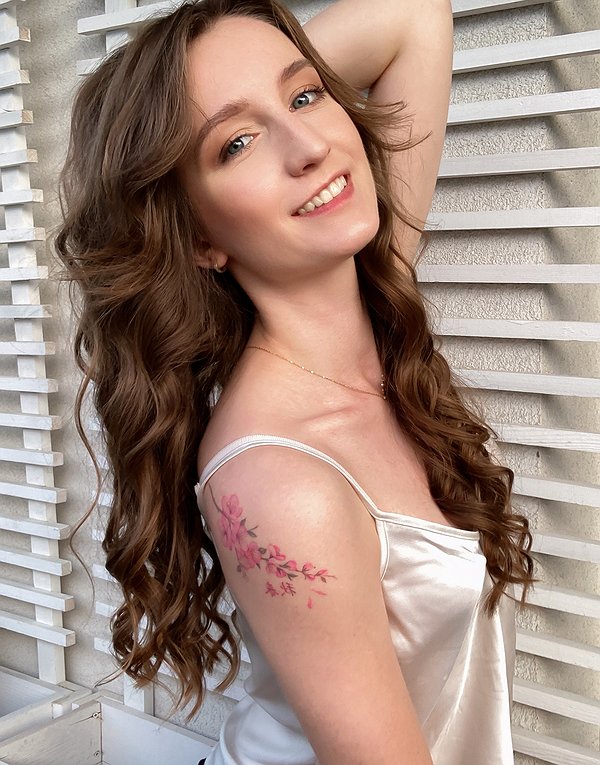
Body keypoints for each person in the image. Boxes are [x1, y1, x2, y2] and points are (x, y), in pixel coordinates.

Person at [56, 0, 535, 763]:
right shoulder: (280, 481)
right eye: (236, 144)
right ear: (198, 234)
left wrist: (241, 93)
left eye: (307, 94)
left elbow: (413, 15)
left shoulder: (372, 299)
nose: (311, 146)